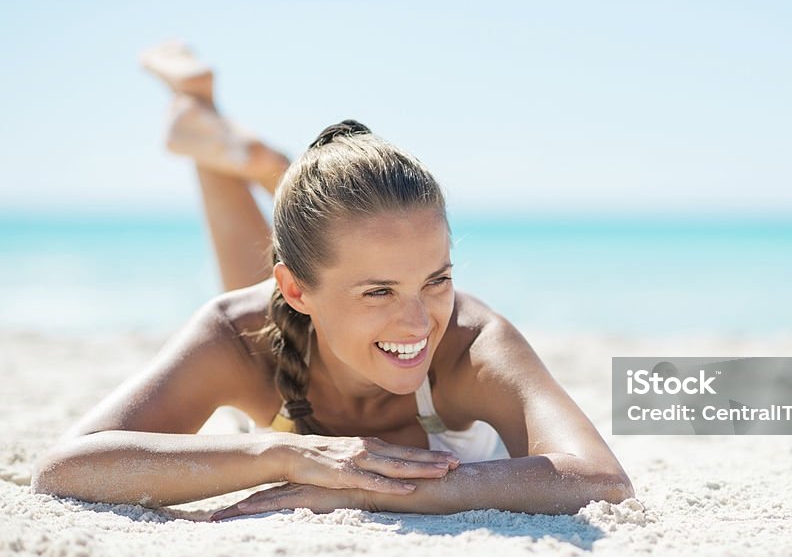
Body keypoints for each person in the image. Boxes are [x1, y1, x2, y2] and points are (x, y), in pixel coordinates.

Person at [30, 41, 634, 519]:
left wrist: (376, 489)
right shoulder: (233, 334)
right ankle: (247, 153)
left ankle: (240, 145)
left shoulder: (471, 344)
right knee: (264, 299)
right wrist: (285, 454)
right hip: (282, 324)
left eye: (436, 279)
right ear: (292, 289)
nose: (420, 322)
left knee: (314, 270)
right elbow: (67, 468)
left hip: (302, 309)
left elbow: (600, 477)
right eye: (381, 291)